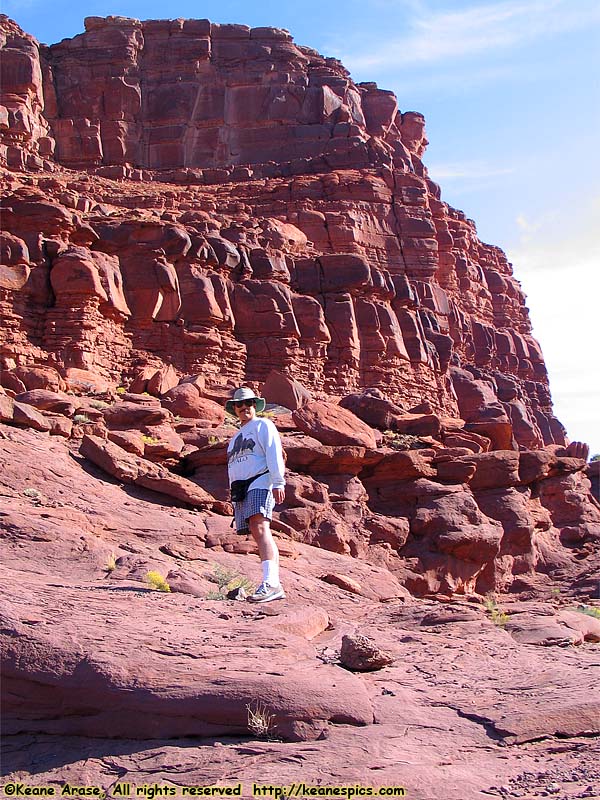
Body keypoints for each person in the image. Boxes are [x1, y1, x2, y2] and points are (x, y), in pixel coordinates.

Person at [225, 386, 286, 603]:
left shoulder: (263, 425)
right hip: (241, 488)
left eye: (248, 403)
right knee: (255, 528)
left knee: (260, 526)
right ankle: (271, 582)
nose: (244, 408)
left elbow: (273, 452)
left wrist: (278, 482)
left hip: (260, 481)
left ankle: (271, 583)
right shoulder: (234, 439)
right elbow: (233, 466)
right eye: (239, 405)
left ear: (255, 405)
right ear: (234, 409)